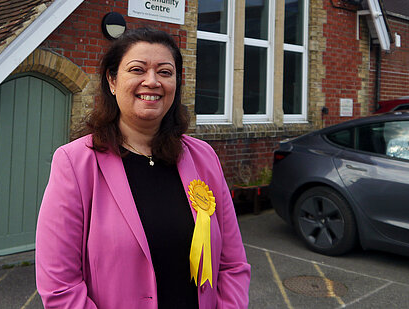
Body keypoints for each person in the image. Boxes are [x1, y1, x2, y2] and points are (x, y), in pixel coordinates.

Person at [35, 27, 251, 309]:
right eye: (137, 69)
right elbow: (59, 287)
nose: (152, 81)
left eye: (165, 72)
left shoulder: (204, 158)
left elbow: (233, 265)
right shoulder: (75, 163)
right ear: (112, 81)